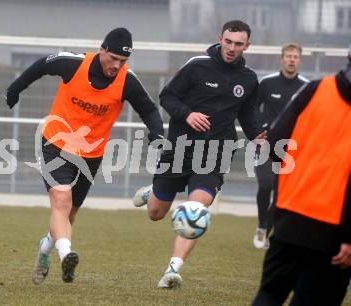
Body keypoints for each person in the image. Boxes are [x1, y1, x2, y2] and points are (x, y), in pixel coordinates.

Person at [5, 27, 164, 284]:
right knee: (61, 199)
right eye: (113, 58)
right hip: (55, 142)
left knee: (69, 214)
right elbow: (42, 65)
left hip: (91, 155)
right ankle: (66, 254)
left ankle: (46, 248)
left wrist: (157, 133)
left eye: (123, 61)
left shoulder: (127, 80)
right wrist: (15, 88)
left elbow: (149, 110)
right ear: (102, 50)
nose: (117, 65)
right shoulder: (73, 64)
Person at [133, 20, 266, 289]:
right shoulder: (197, 65)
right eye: (228, 42)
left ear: (247, 46)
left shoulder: (249, 79)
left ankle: (172, 270)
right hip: (180, 148)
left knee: (196, 209)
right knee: (156, 213)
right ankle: (153, 192)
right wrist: (187, 114)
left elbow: (248, 116)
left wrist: (260, 137)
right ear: (220, 38)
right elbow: (167, 97)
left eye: (238, 44)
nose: (231, 48)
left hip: (216, 152)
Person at [252, 46, 351, 306]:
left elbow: (275, 143)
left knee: (270, 293)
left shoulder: (315, 89)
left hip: (290, 217)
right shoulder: (303, 87)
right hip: (333, 231)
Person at [253, 43, 309, 249]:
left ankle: (265, 233)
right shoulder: (267, 83)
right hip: (267, 146)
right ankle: (261, 226)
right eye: (288, 56)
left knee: (281, 194)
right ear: (282, 59)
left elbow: (309, 116)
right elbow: (252, 109)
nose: (292, 59)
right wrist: (259, 130)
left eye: (296, 56)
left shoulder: (305, 86)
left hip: (291, 150)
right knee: (265, 186)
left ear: (300, 60)